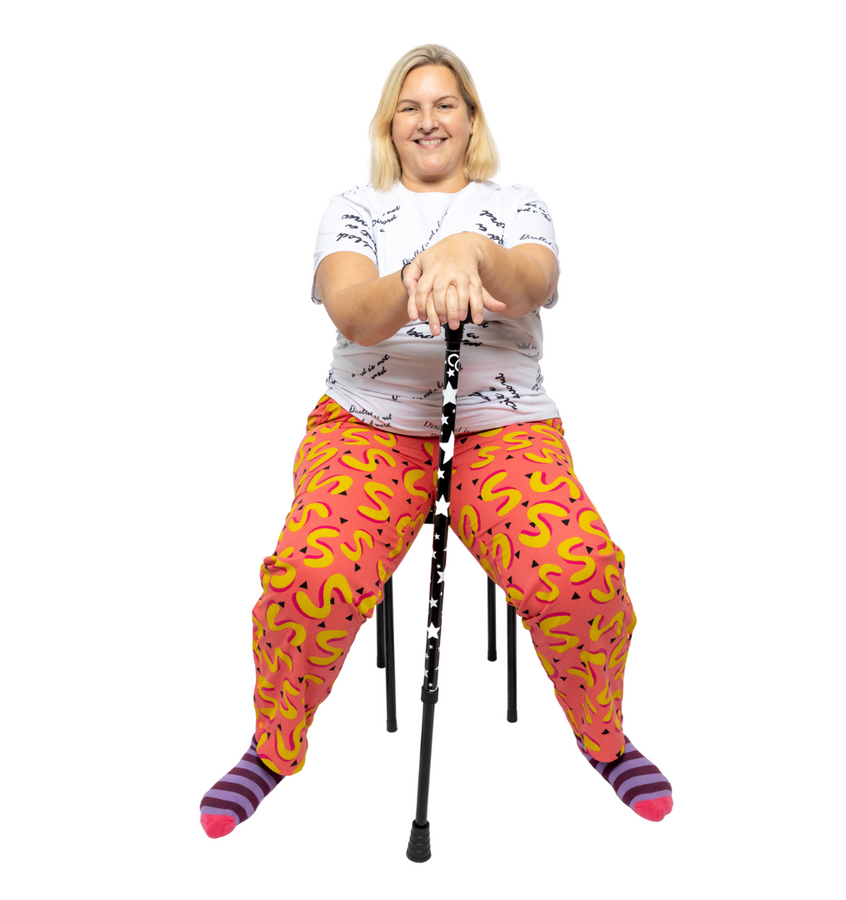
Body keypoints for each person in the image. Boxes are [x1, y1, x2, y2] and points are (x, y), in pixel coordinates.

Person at [199, 44, 673, 839]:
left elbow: (532, 284)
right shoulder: (352, 207)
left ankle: (604, 736)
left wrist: (473, 249)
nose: (428, 120)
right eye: (410, 105)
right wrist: (427, 264)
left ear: (471, 119)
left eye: (445, 104)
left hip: (506, 428)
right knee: (310, 579)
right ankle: (273, 746)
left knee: (578, 575)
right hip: (370, 427)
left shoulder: (517, 204)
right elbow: (354, 313)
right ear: (391, 123)